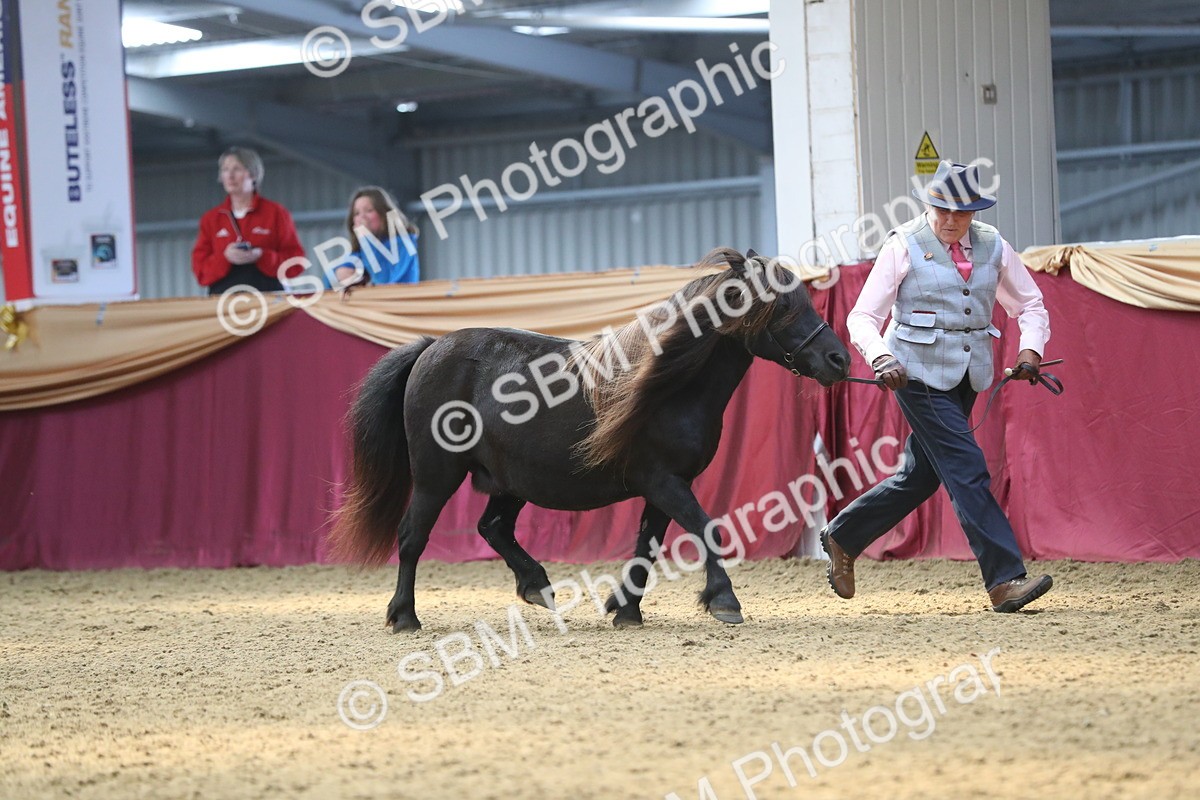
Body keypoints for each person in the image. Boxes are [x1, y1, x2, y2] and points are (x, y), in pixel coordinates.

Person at [822, 160, 1053, 613]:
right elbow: (863, 316)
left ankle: (843, 535)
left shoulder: (995, 246)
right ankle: (1004, 579)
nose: (949, 220)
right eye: (941, 210)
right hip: (914, 374)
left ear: (975, 212)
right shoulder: (903, 245)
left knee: (921, 477)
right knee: (968, 468)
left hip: (970, 374)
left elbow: (1030, 305)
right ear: (928, 205)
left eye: (960, 212)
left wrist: (1031, 351)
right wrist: (881, 357)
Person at [191, 147, 305, 295]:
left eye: (237, 169)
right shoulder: (211, 219)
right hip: (223, 301)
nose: (230, 176)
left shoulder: (276, 213)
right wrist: (225, 258)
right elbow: (200, 272)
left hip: (268, 300)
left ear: (253, 174)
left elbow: (296, 263)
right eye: (225, 170)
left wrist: (261, 256)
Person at [330, 186, 420, 288]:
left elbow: (384, 279)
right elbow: (335, 276)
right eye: (357, 213)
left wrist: (366, 239)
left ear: (384, 214)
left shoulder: (402, 244)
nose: (362, 217)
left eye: (369, 210)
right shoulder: (362, 251)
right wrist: (340, 273)